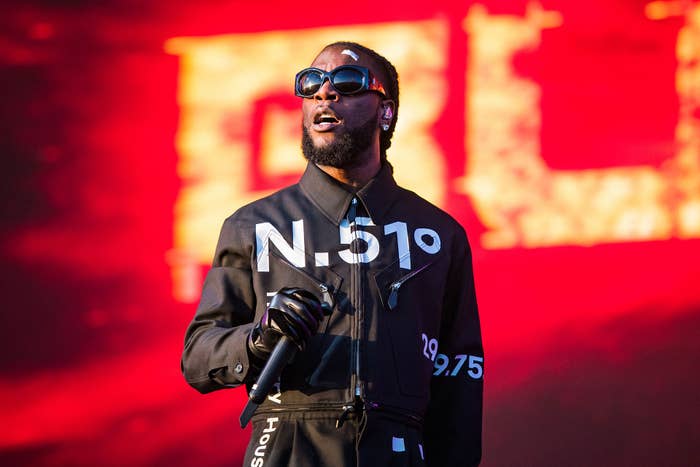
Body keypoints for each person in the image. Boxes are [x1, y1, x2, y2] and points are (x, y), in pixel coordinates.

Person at [181, 41, 484, 466]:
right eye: (310, 84)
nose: (324, 94)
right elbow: (198, 356)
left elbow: (460, 373)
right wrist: (259, 337)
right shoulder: (253, 225)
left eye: (347, 81)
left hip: (397, 449)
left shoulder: (438, 234)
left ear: (386, 111)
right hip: (287, 447)